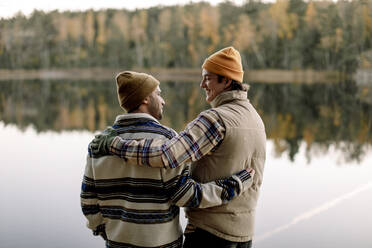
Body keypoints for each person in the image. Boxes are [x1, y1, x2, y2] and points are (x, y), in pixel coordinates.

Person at [90, 47, 266, 248]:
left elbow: (168, 155)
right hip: (244, 235)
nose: (202, 84)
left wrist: (115, 145)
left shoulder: (215, 119)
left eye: (207, 78)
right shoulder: (255, 118)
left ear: (226, 80)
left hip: (210, 233)